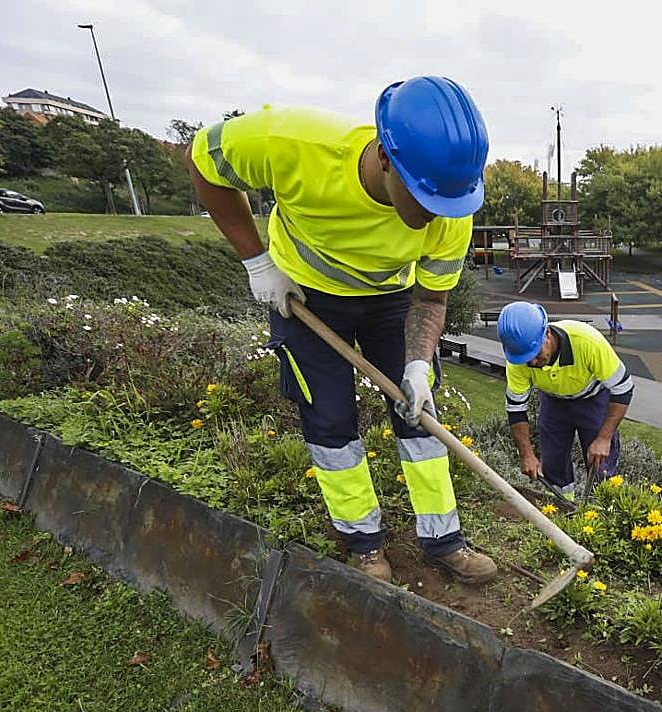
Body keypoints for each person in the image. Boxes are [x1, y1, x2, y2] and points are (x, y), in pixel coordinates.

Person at [186, 76, 496, 585]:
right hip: (306, 297)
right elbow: (204, 161)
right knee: (330, 423)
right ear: (385, 157)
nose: (433, 215)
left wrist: (418, 364)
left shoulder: (451, 206)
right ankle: (365, 543)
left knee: (421, 416)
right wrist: (257, 263)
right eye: (422, 197)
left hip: (389, 302)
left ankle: (444, 539)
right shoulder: (292, 142)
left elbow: (432, 297)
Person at [497, 301, 634, 498]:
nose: (532, 363)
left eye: (535, 354)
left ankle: (602, 513)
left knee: (600, 464)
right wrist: (526, 454)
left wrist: (604, 438)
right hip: (554, 403)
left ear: (547, 334)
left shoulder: (587, 342)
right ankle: (561, 511)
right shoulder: (518, 360)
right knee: (553, 464)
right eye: (525, 359)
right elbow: (516, 409)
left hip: (593, 400)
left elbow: (624, 389)